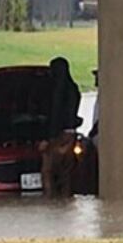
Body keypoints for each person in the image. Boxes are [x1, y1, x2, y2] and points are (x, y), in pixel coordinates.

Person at [40, 57, 81, 198]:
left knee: (48, 171)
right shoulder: (74, 89)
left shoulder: (57, 90)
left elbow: (55, 115)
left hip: (58, 136)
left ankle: (50, 200)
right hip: (71, 135)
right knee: (66, 173)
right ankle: (66, 200)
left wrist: (47, 138)